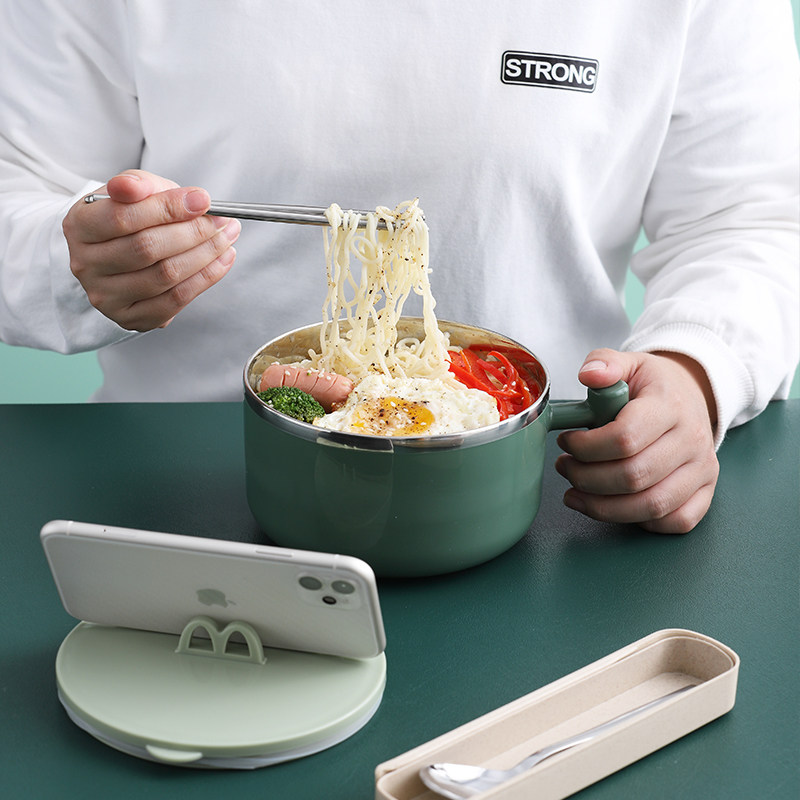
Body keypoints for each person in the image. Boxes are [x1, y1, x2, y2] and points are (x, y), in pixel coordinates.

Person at [1, 1, 797, 535]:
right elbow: (16, 184)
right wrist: (75, 257)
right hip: (179, 491)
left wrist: (696, 369)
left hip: (547, 485)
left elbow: (750, 215)